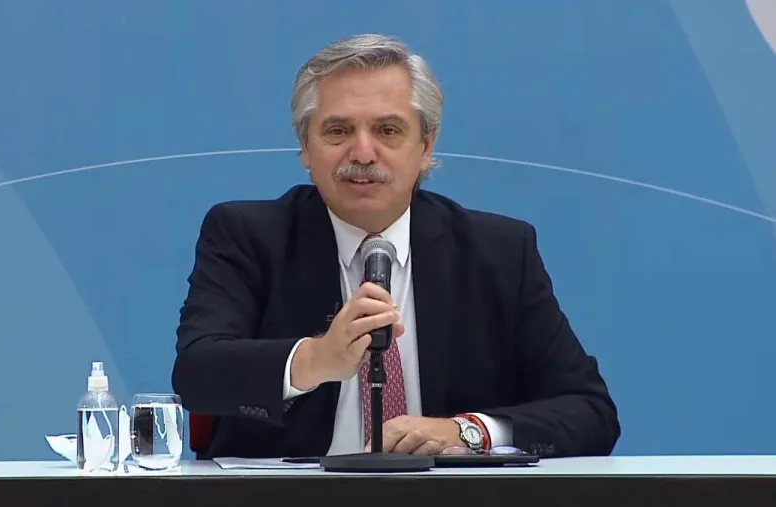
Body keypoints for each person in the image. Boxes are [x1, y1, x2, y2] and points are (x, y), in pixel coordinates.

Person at [171, 34, 620, 459]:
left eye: (387, 130)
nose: (363, 153)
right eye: (338, 131)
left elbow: (589, 411)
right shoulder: (247, 236)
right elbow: (197, 374)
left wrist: (467, 431)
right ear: (305, 146)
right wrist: (315, 359)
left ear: (425, 146)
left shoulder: (497, 252)